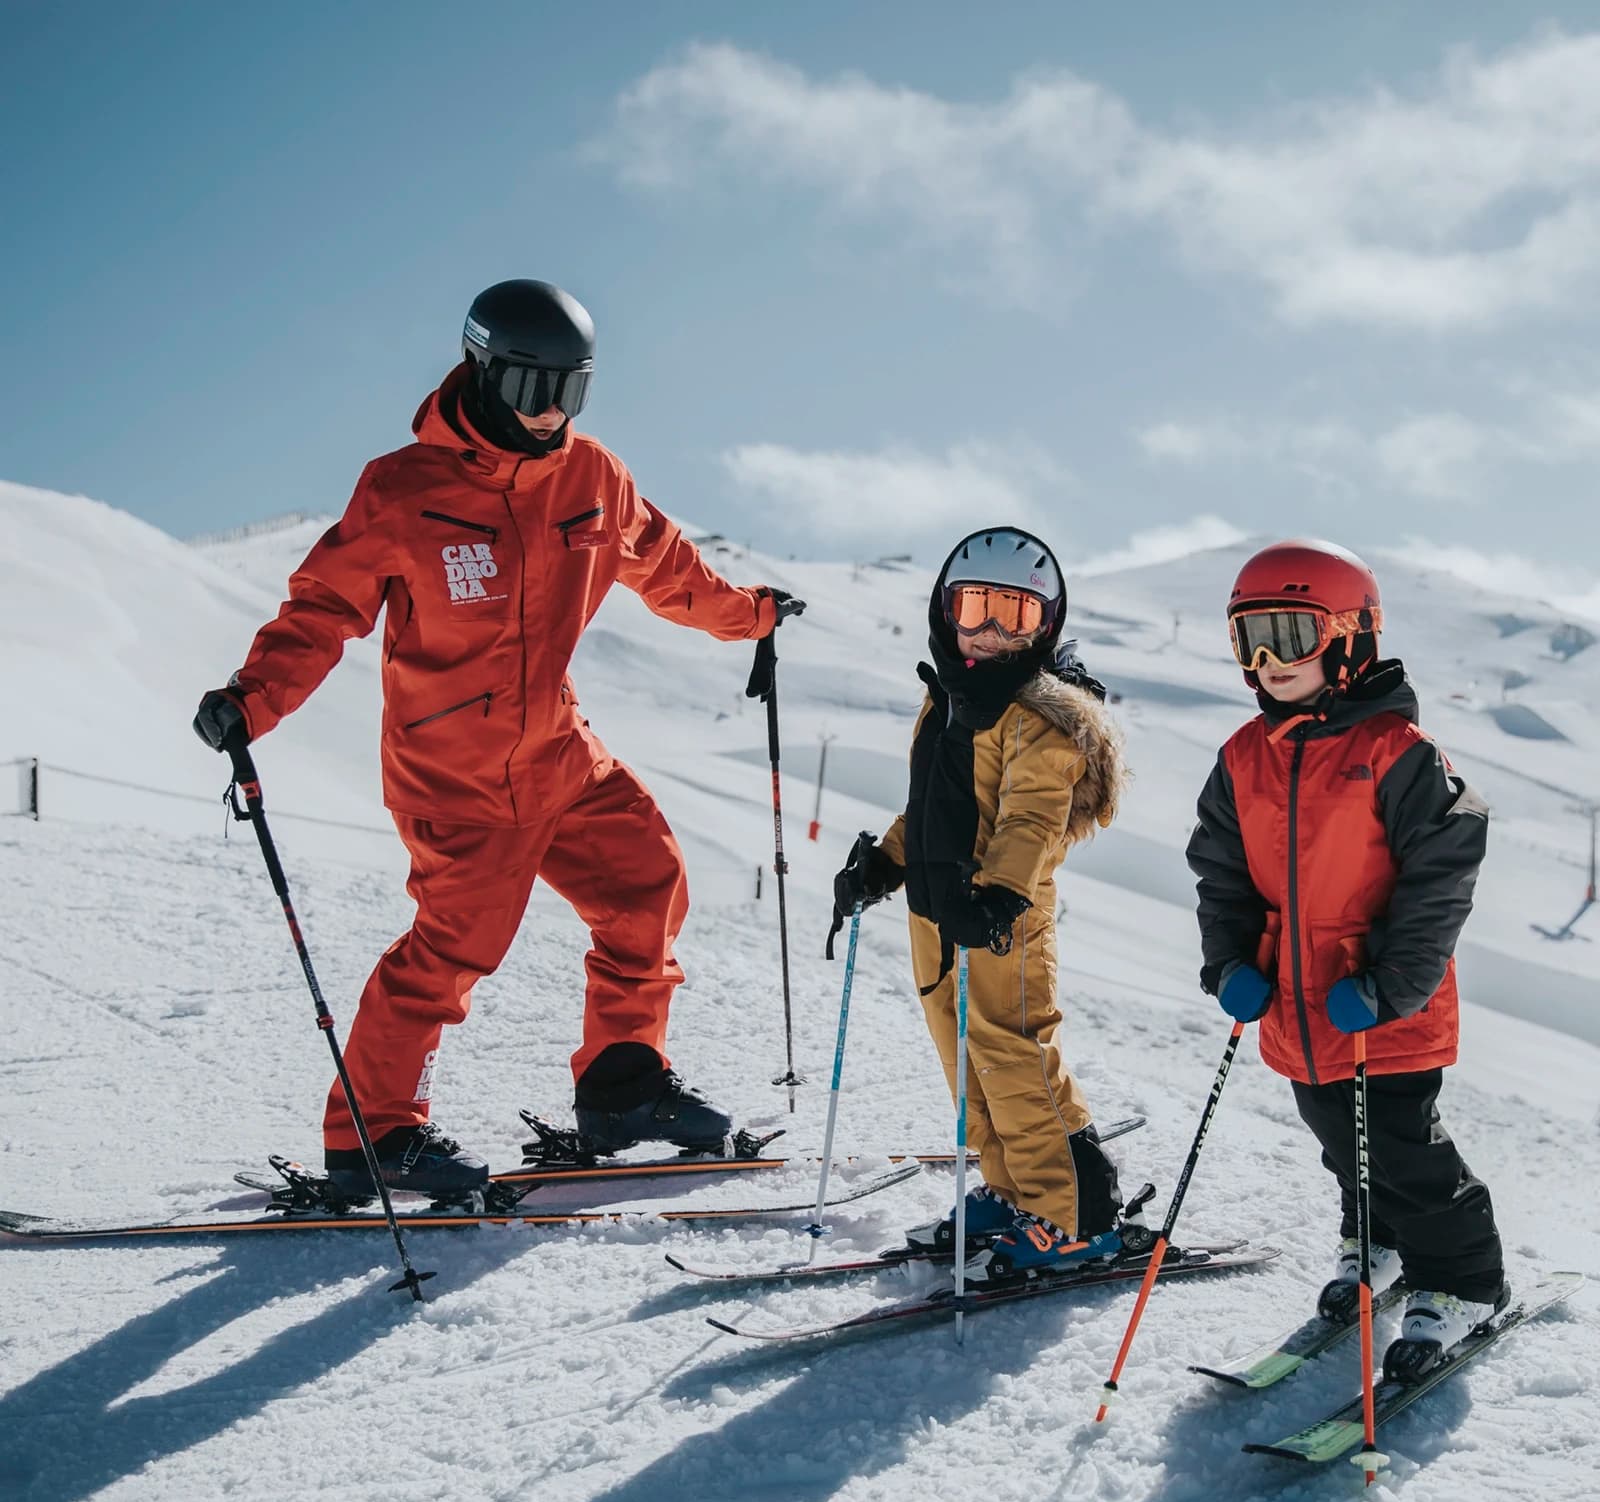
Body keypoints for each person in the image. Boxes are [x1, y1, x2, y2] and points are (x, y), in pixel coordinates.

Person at [193, 279, 803, 1200]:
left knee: (648, 880)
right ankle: (374, 1133)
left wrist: (749, 617)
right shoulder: (404, 489)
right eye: (528, 388)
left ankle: (622, 1084)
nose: (551, 411)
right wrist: (254, 699)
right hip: (456, 775)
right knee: (451, 951)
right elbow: (325, 606)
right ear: (482, 370)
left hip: (558, 749)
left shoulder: (592, 475)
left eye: (573, 388)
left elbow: (666, 563)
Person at [1187, 537, 1506, 1380]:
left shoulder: (1401, 755)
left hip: (1379, 1007)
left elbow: (1442, 875)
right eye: (1247, 637)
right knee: (1340, 1140)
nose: (1267, 660)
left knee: (1402, 1148)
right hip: (1297, 1005)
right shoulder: (1243, 758)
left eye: (1289, 634)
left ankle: (1464, 1278)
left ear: (1351, 635)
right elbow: (1221, 877)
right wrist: (1228, 965)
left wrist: (1392, 985)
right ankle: (1379, 1242)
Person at [831, 527, 1130, 1285]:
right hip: (939, 917)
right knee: (966, 1061)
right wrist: (887, 862)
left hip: (1003, 921)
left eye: (1016, 616)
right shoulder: (949, 702)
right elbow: (933, 806)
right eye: (978, 610)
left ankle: (1073, 1216)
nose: (994, 632)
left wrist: (998, 894)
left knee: (1015, 1056)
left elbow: (1030, 818)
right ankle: (1011, 1190)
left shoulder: (1042, 718)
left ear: (1047, 626)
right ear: (946, 611)